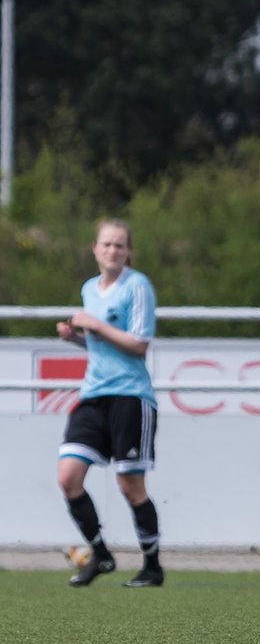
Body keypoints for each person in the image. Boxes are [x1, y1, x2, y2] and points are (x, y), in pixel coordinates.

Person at [55, 218, 165, 588]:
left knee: (129, 486)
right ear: (95, 250)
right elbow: (100, 344)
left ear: (127, 251)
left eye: (119, 245)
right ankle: (100, 555)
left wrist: (95, 325)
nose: (113, 251)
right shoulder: (90, 289)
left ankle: (152, 566)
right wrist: (77, 338)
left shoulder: (137, 287)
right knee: (68, 477)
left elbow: (137, 344)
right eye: (107, 244)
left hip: (130, 396)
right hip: (93, 395)